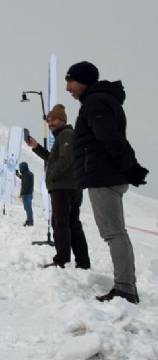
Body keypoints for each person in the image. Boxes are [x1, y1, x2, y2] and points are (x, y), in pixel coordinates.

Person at [66, 61, 149, 304]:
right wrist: (130, 168)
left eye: (70, 81)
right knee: (116, 233)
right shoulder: (101, 100)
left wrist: (129, 167)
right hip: (107, 175)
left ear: (83, 80)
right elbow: (114, 137)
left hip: (103, 176)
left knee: (113, 234)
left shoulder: (94, 101)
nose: (67, 87)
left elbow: (109, 138)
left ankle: (125, 289)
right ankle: (126, 286)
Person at [26, 104, 90, 269]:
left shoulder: (66, 134)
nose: (50, 122)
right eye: (48, 119)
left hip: (64, 187)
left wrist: (52, 176)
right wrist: (36, 147)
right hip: (71, 186)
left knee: (60, 223)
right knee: (72, 224)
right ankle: (82, 262)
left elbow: (65, 159)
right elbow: (53, 158)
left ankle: (61, 260)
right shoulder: (63, 135)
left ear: (62, 119)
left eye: (53, 119)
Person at [15, 162, 34, 226]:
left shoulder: (26, 174)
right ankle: (29, 220)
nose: (20, 169)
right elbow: (23, 178)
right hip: (29, 193)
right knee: (28, 208)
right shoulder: (29, 174)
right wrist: (18, 174)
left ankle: (30, 221)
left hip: (26, 194)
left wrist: (22, 193)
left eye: (20, 167)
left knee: (27, 208)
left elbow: (25, 184)